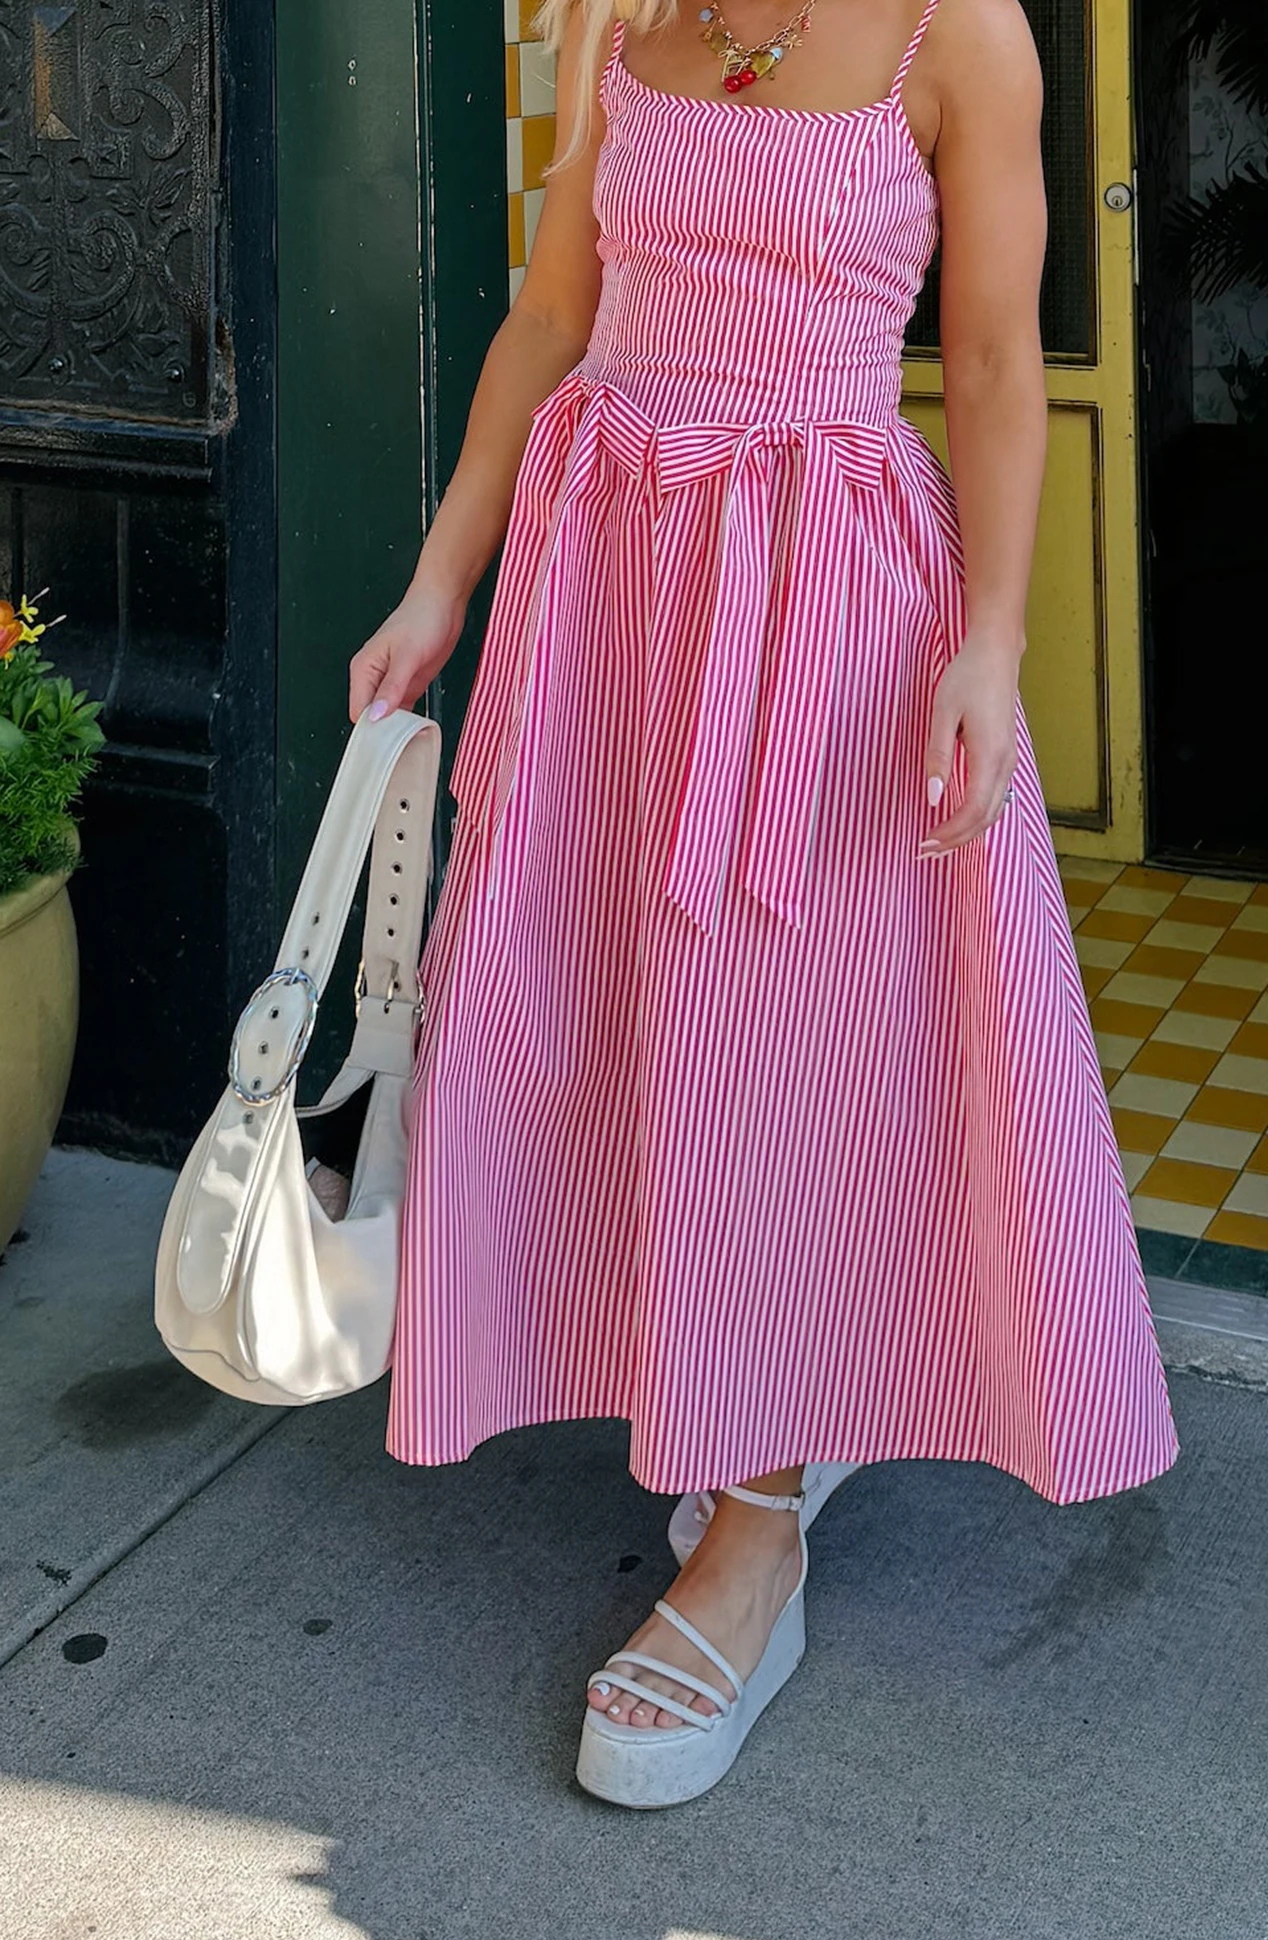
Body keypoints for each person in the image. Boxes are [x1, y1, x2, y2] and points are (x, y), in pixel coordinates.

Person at [346, 0, 1179, 1810]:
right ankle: (730, 1394)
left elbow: (992, 360)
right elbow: (555, 317)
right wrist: (438, 584)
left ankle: (757, 1538)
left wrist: (990, 642)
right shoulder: (618, 20)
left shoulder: (962, 37)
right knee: (583, 1015)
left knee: (787, 1048)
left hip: (827, 601)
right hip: (614, 573)